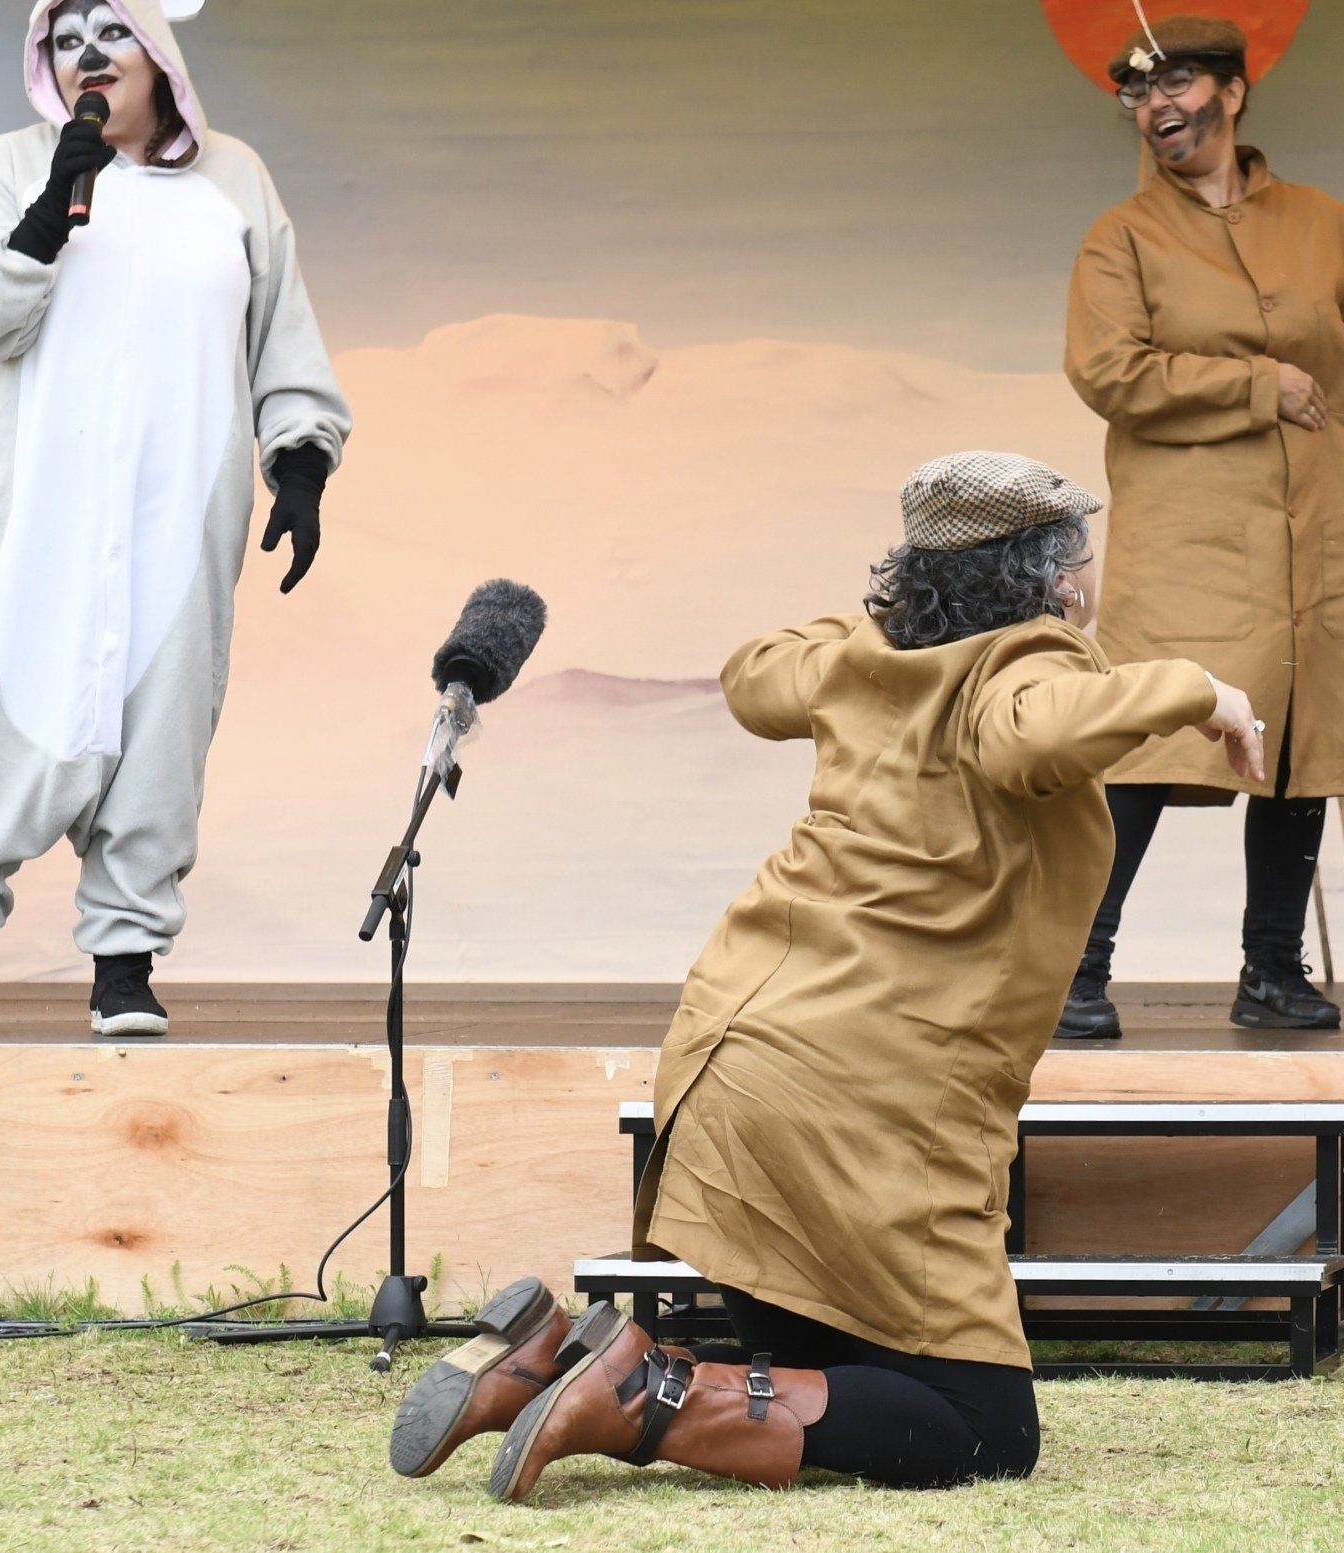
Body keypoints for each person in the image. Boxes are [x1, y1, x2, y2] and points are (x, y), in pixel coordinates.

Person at [386, 452, 1263, 1499]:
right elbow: (1026, 735)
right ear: (1051, 576)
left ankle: (554, 1355)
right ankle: (641, 1393)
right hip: (862, 1107)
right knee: (984, 1426)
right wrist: (1201, 687)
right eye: (1082, 558)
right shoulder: (1031, 663)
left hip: (732, 1061)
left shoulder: (860, 656)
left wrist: (879, 626)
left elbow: (755, 671)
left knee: (845, 1377)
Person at [0, 0, 349, 1040]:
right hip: (37, 512)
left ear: (159, 55)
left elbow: (279, 331)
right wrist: (51, 208)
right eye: (64, 43)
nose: (88, 60)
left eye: (109, 37)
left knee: (160, 721)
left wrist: (299, 461)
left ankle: (125, 962)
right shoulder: (10, 163)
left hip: (177, 516)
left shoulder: (235, 180)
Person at [1056, 15, 1344, 1042]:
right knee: (1149, 735)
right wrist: (1258, 384)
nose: (1156, 106)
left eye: (1175, 81)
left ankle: (1271, 968)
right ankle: (1074, 974)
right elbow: (1110, 373)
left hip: (1324, 525)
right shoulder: (1121, 238)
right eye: (1137, 91)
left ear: (1233, 90)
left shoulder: (1325, 224)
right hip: (1193, 529)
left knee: (1302, 735)